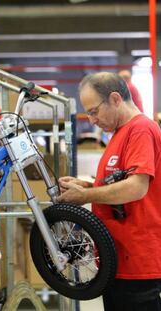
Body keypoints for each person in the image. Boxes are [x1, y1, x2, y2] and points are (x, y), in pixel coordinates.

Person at [58, 72, 161, 311]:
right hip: (117, 258)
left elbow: (136, 187)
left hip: (137, 262)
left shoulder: (141, 130)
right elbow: (121, 183)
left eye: (94, 111)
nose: (92, 120)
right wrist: (89, 186)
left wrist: (86, 196)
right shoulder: (119, 133)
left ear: (115, 99)